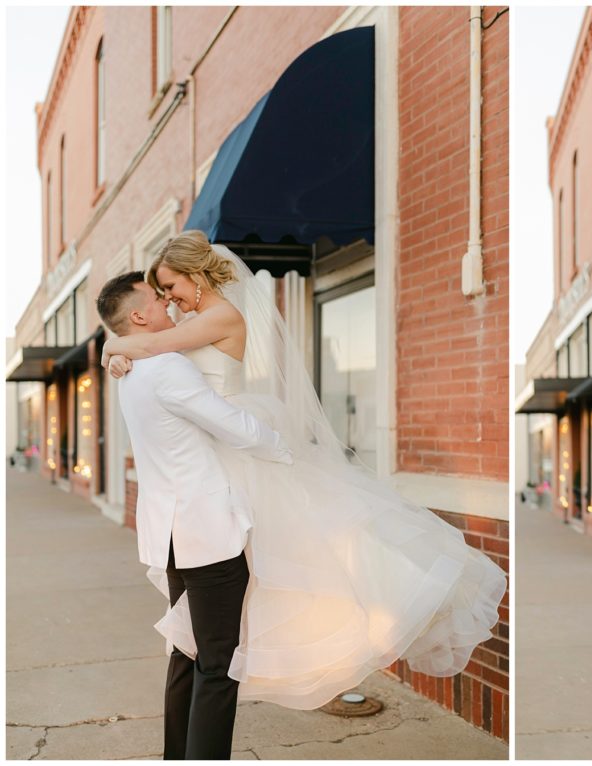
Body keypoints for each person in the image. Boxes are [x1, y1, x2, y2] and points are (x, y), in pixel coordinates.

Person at [101, 231, 508, 710]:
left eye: (171, 287)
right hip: (215, 453)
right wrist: (124, 348)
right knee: (241, 596)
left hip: (235, 445)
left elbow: (156, 345)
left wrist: (116, 349)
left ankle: (329, 645)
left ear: (196, 275)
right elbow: (157, 348)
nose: (169, 298)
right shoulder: (186, 329)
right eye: (161, 293)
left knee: (296, 565)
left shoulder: (220, 316)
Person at [95, 271, 294, 759]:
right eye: (156, 301)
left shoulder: (132, 371)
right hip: (206, 533)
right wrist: (288, 450)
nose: (167, 306)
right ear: (139, 316)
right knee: (218, 664)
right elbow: (230, 426)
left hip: (170, 532)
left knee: (187, 652)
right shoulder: (165, 367)